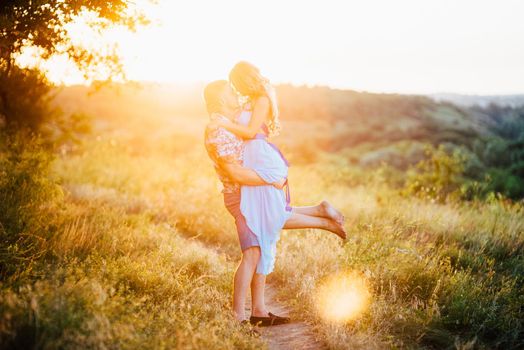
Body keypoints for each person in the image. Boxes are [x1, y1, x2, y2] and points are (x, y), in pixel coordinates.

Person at [203, 79, 346, 327]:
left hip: (251, 191)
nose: (235, 93)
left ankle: (258, 311)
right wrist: (272, 179)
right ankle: (237, 318)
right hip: (239, 195)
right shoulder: (217, 130)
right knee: (252, 253)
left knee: (265, 241)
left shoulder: (231, 123)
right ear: (220, 98)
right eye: (230, 91)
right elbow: (235, 173)